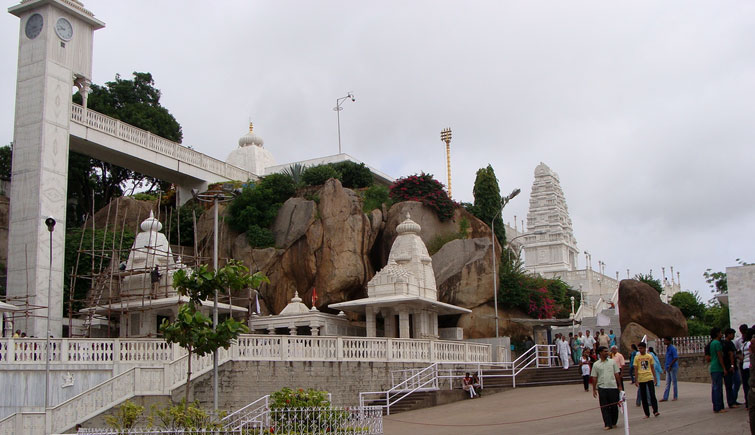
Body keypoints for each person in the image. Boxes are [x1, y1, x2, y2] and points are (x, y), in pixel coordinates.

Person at [591, 345, 623, 430]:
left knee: (613, 406)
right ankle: (607, 424)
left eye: (607, 351)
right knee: (604, 407)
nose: (607, 353)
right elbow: (594, 377)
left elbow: (617, 374)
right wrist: (594, 389)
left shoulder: (612, 362)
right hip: (602, 388)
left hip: (612, 387)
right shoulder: (596, 364)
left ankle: (613, 422)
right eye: (605, 351)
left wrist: (619, 386)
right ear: (600, 353)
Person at [634, 342, 659, 418]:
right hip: (641, 379)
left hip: (649, 377)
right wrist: (636, 379)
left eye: (641, 348)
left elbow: (652, 367)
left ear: (645, 348)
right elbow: (636, 369)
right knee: (644, 397)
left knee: (652, 395)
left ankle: (655, 411)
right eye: (639, 348)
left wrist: (655, 378)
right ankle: (647, 413)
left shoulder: (649, 356)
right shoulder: (637, 357)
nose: (640, 350)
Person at [722, 328, 742, 408]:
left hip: (731, 366)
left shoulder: (729, 343)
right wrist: (732, 365)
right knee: (731, 384)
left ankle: (733, 399)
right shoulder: (727, 343)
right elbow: (731, 355)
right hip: (730, 366)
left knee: (735, 382)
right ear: (729, 334)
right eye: (732, 334)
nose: (733, 336)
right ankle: (731, 401)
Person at [709, 327, 727, 413]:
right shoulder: (717, 343)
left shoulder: (712, 343)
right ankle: (719, 407)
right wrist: (724, 368)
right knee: (718, 388)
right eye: (720, 333)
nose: (721, 334)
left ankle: (716, 406)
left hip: (713, 367)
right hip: (717, 367)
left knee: (715, 387)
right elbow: (720, 357)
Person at [661, 336, 679, 402]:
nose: (664, 342)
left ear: (669, 341)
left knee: (674, 382)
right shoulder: (668, 348)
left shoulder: (672, 348)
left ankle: (675, 396)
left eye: (665, 340)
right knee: (667, 383)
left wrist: (670, 365)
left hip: (673, 367)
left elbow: (676, 357)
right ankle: (665, 397)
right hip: (668, 367)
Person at [742, 328, 753, 409]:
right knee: (751, 385)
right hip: (749, 364)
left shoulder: (744, 344)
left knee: (746, 386)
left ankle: (747, 403)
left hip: (744, 365)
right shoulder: (750, 343)